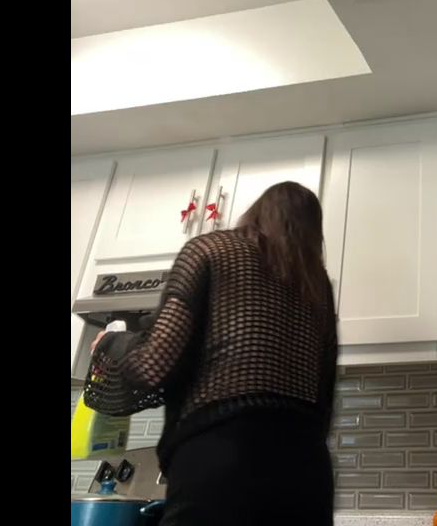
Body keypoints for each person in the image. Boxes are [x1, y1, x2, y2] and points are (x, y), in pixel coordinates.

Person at [87, 181, 338, 525]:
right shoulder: (317, 284)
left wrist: (110, 343)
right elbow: (325, 396)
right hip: (308, 473)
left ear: (256, 213)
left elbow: (152, 365)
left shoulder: (211, 249)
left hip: (223, 458)